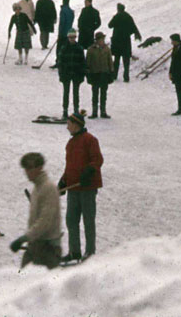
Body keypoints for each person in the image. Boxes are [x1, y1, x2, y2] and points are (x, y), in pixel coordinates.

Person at [60, 110, 103, 263]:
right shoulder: (70, 144)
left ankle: (90, 252)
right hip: (73, 188)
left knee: (88, 220)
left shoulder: (90, 140)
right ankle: (74, 251)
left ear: (76, 125)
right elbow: (69, 166)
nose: (67, 127)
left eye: (69, 124)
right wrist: (63, 180)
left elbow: (97, 160)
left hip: (87, 188)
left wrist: (89, 171)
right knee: (71, 220)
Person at [10, 152, 63, 269]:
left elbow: (45, 221)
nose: (27, 173)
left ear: (39, 168)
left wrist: (24, 238)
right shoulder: (37, 188)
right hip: (36, 245)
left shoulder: (48, 188)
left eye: (30, 168)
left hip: (48, 249)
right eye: (25, 169)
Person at [108, 3, 141, 82]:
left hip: (117, 41)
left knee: (116, 59)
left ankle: (115, 75)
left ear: (118, 9)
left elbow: (110, 25)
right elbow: (133, 28)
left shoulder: (117, 16)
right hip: (126, 41)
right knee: (126, 60)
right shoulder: (128, 17)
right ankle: (126, 76)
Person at [58, 29, 86, 119]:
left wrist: (82, 74)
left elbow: (83, 62)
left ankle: (76, 110)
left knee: (76, 93)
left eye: (73, 37)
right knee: (66, 92)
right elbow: (60, 62)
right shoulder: (64, 48)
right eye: (70, 37)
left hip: (76, 74)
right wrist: (61, 73)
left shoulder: (79, 48)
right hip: (66, 73)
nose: (72, 39)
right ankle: (65, 110)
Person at [85, 32, 114, 119]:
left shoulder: (107, 49)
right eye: (101, 39)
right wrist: (88, 74)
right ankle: (94, 111)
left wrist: (111, 72)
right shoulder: (91, 50)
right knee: (95, 93)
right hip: (95, 74)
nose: (102, 41)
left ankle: (103, 111)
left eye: (103, 39)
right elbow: (88, 63)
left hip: (104, 73)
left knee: (103, 93)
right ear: (97, 40)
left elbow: (110, 61)